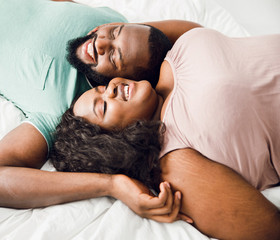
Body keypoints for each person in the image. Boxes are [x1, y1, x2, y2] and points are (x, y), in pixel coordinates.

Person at [0, 0, 200, 221]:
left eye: (115, 57)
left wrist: (112, 185)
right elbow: (193, 34)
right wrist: (121, 29)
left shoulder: (71, 108)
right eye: (113, 34)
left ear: (124, 76)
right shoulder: (111, 30)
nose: (100, 44)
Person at [49, 28, 280, 239]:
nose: (111, 89)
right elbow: (268, 227)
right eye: (103, 107)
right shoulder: (175, 161)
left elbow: (117, 37)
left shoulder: (168, 58)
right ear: (112, 141)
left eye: (102, 88)